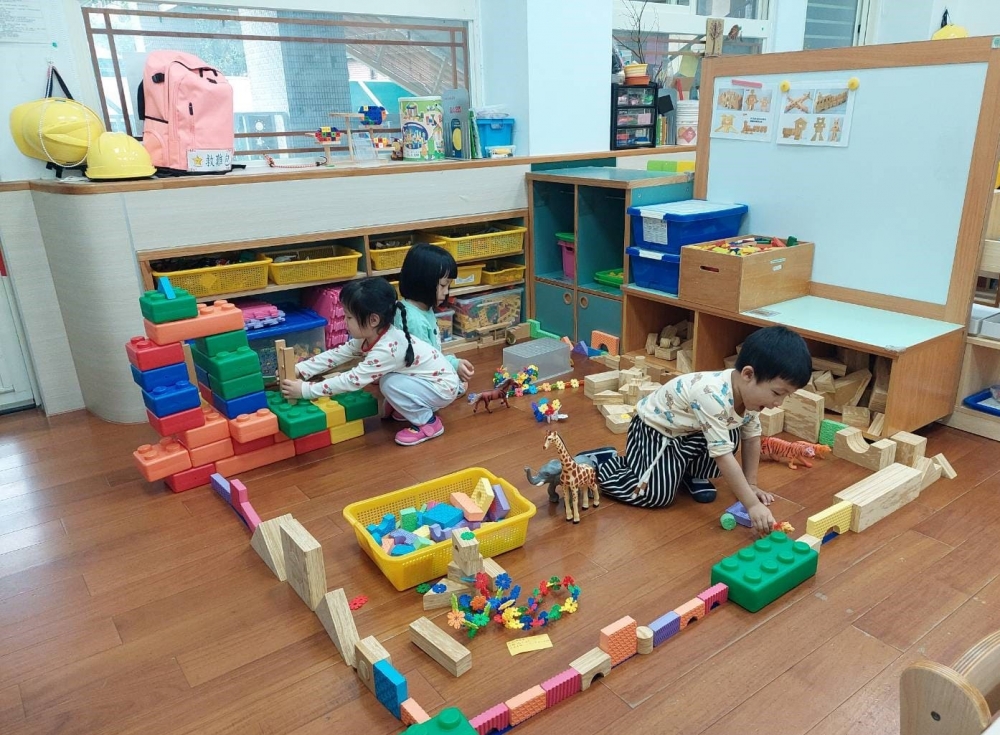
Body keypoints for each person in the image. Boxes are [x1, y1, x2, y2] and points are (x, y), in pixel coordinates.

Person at [594, 326, 812, 536]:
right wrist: (752, 505)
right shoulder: (711, 396)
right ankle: (604, 464)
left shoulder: (750, 397)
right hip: (656, 432)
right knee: (654, 495)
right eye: (777, 393)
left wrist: (751, 485)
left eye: (786, 396)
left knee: (731, 432)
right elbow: (722, 455)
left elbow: (752, 438)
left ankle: (689, 473)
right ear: (748, 374)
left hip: (690, 432)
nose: (779, 403)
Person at [280, 277, 460, 447]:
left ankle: (429, 423)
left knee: (389, 383)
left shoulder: (387, 349)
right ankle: (409, 406)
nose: (345, 322)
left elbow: (352, 380)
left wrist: (306, 390)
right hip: (430, 381)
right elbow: (338, 354)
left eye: (349, 317)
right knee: (387, 380)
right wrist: (300, 369)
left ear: (373, 320)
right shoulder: (373, 335)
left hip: (442, 387)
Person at [393, 243, 475, 402]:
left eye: (448, 285)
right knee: (452, 385)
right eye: (443, 285)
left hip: (416, 371)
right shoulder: (414, 320)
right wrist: (453, 366)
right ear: (422, 282)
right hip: (418, 376)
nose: (446, 291)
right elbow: (427, 363)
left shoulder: (416, 308)